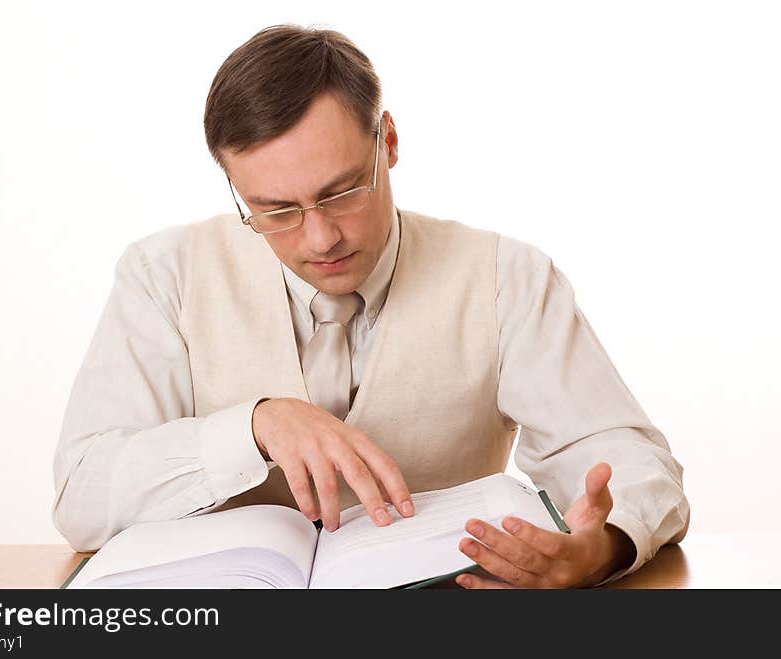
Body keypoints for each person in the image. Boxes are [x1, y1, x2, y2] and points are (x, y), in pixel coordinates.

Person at [51, 24, 690, 589]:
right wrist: (256, 426)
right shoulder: (163, 275)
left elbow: (627, 457)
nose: (319, 237)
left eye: (343, 190)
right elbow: (82, 495)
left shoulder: (507, 276)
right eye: (275, 211)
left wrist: (602, 548)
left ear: (386, 141)